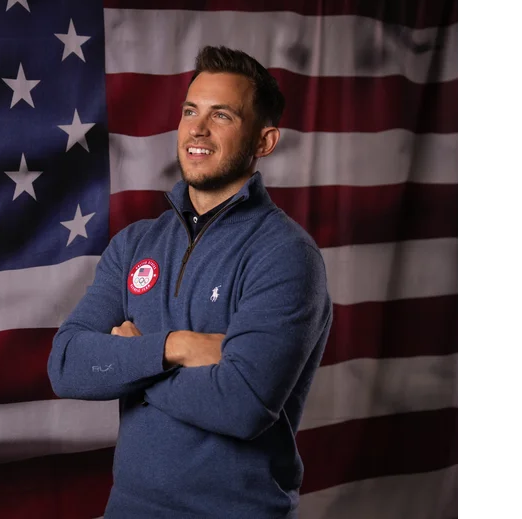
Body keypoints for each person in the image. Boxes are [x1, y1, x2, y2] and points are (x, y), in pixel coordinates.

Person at [47, 45, 333, 518]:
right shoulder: (135, 244)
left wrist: (132, 364)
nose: (197, 129)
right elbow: (66, 364)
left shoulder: (285, 255)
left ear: (264, 142)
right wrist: (173, 347)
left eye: (221, 115)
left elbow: (243, 404)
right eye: (189, 111)